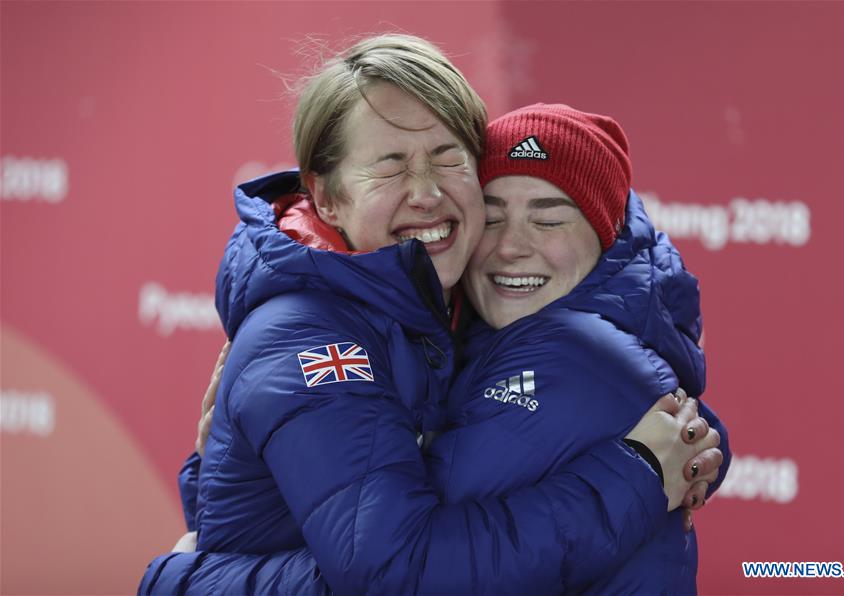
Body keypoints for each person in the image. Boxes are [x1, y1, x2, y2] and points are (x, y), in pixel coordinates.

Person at [140, 35, 724, 595]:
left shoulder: (465, 317)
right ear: (326, 197)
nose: (425, 193)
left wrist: (190, 578)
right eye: (391, 167)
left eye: (448, 159)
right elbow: (395, 568)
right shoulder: (318, 333)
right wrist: (640, 473)